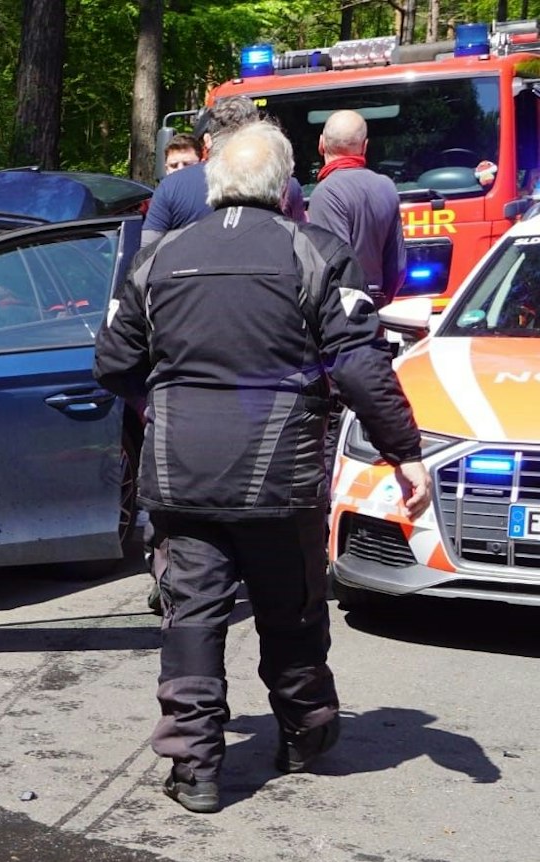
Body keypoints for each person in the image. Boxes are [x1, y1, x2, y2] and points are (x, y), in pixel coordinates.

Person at [93, 122, 430, 815]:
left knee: (191, 617)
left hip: (183, 475)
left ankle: (195, 767)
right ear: (286, 187)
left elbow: (113, 363)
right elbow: (362, 366)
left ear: (214, 184)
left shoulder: (159, 258)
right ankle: (305, 730)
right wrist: (405, 453)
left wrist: (164, 401)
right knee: (294, 612)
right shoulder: (317, 253)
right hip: (281, 478)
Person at [142, 96, 307, 253]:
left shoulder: (171, 186)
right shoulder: (285, 184)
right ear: (257, 133)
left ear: (208, 140)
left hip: (189, 280)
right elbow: (303, 247)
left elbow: (147, 253)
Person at [307, 109, 404, 307]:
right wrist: (380, 306)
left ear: (321, 144)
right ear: (365, 146)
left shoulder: (325, 194)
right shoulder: (386, 186)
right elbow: (398, 267)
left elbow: (333, 271)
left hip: (343, 322)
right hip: (375, 312)